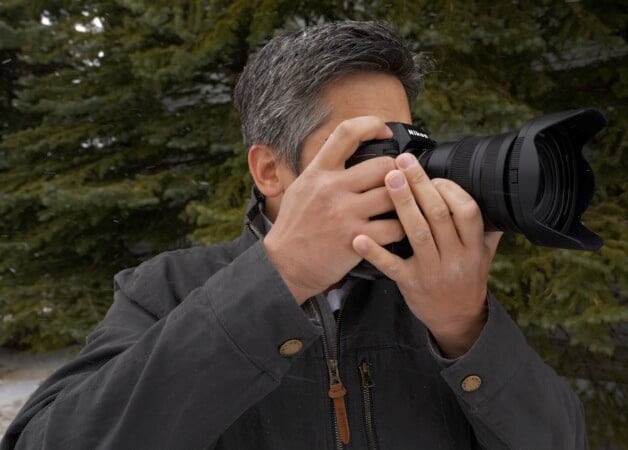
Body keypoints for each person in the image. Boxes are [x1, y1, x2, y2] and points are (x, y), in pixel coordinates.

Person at [1, 21, 588, 450]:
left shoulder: (429, 296)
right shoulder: (168, 289)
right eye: (369, 149)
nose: (401, 171)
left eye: (412, 143)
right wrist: (278, 278)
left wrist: (465, 330)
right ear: (269, 170)